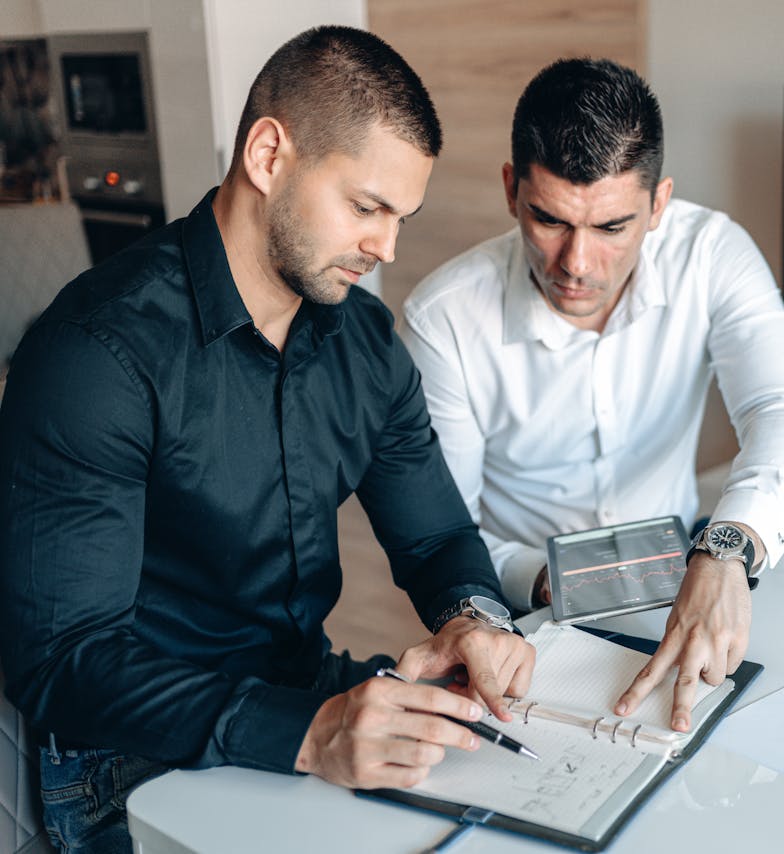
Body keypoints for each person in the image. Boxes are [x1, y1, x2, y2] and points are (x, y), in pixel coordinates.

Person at [0, 27, 534, 853]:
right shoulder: (96, 353)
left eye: (401, 217)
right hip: (129, 753)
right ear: (268, 153)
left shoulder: (362, 342)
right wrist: (314, 732)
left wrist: (470, 618)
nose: (386, 248)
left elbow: (435, 535)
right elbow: (64, 660)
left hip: (298, 689)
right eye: (366, 207)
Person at [400, 58, 784, 734]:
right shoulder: (443, 318)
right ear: (512, 190)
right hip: (524, 620)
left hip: (693, 586)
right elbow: (445, 528)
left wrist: (726, 548)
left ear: (658, 205)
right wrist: (550, 582)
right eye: (549, 220)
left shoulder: (712, 253)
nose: (576, 263)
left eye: (611, 228)